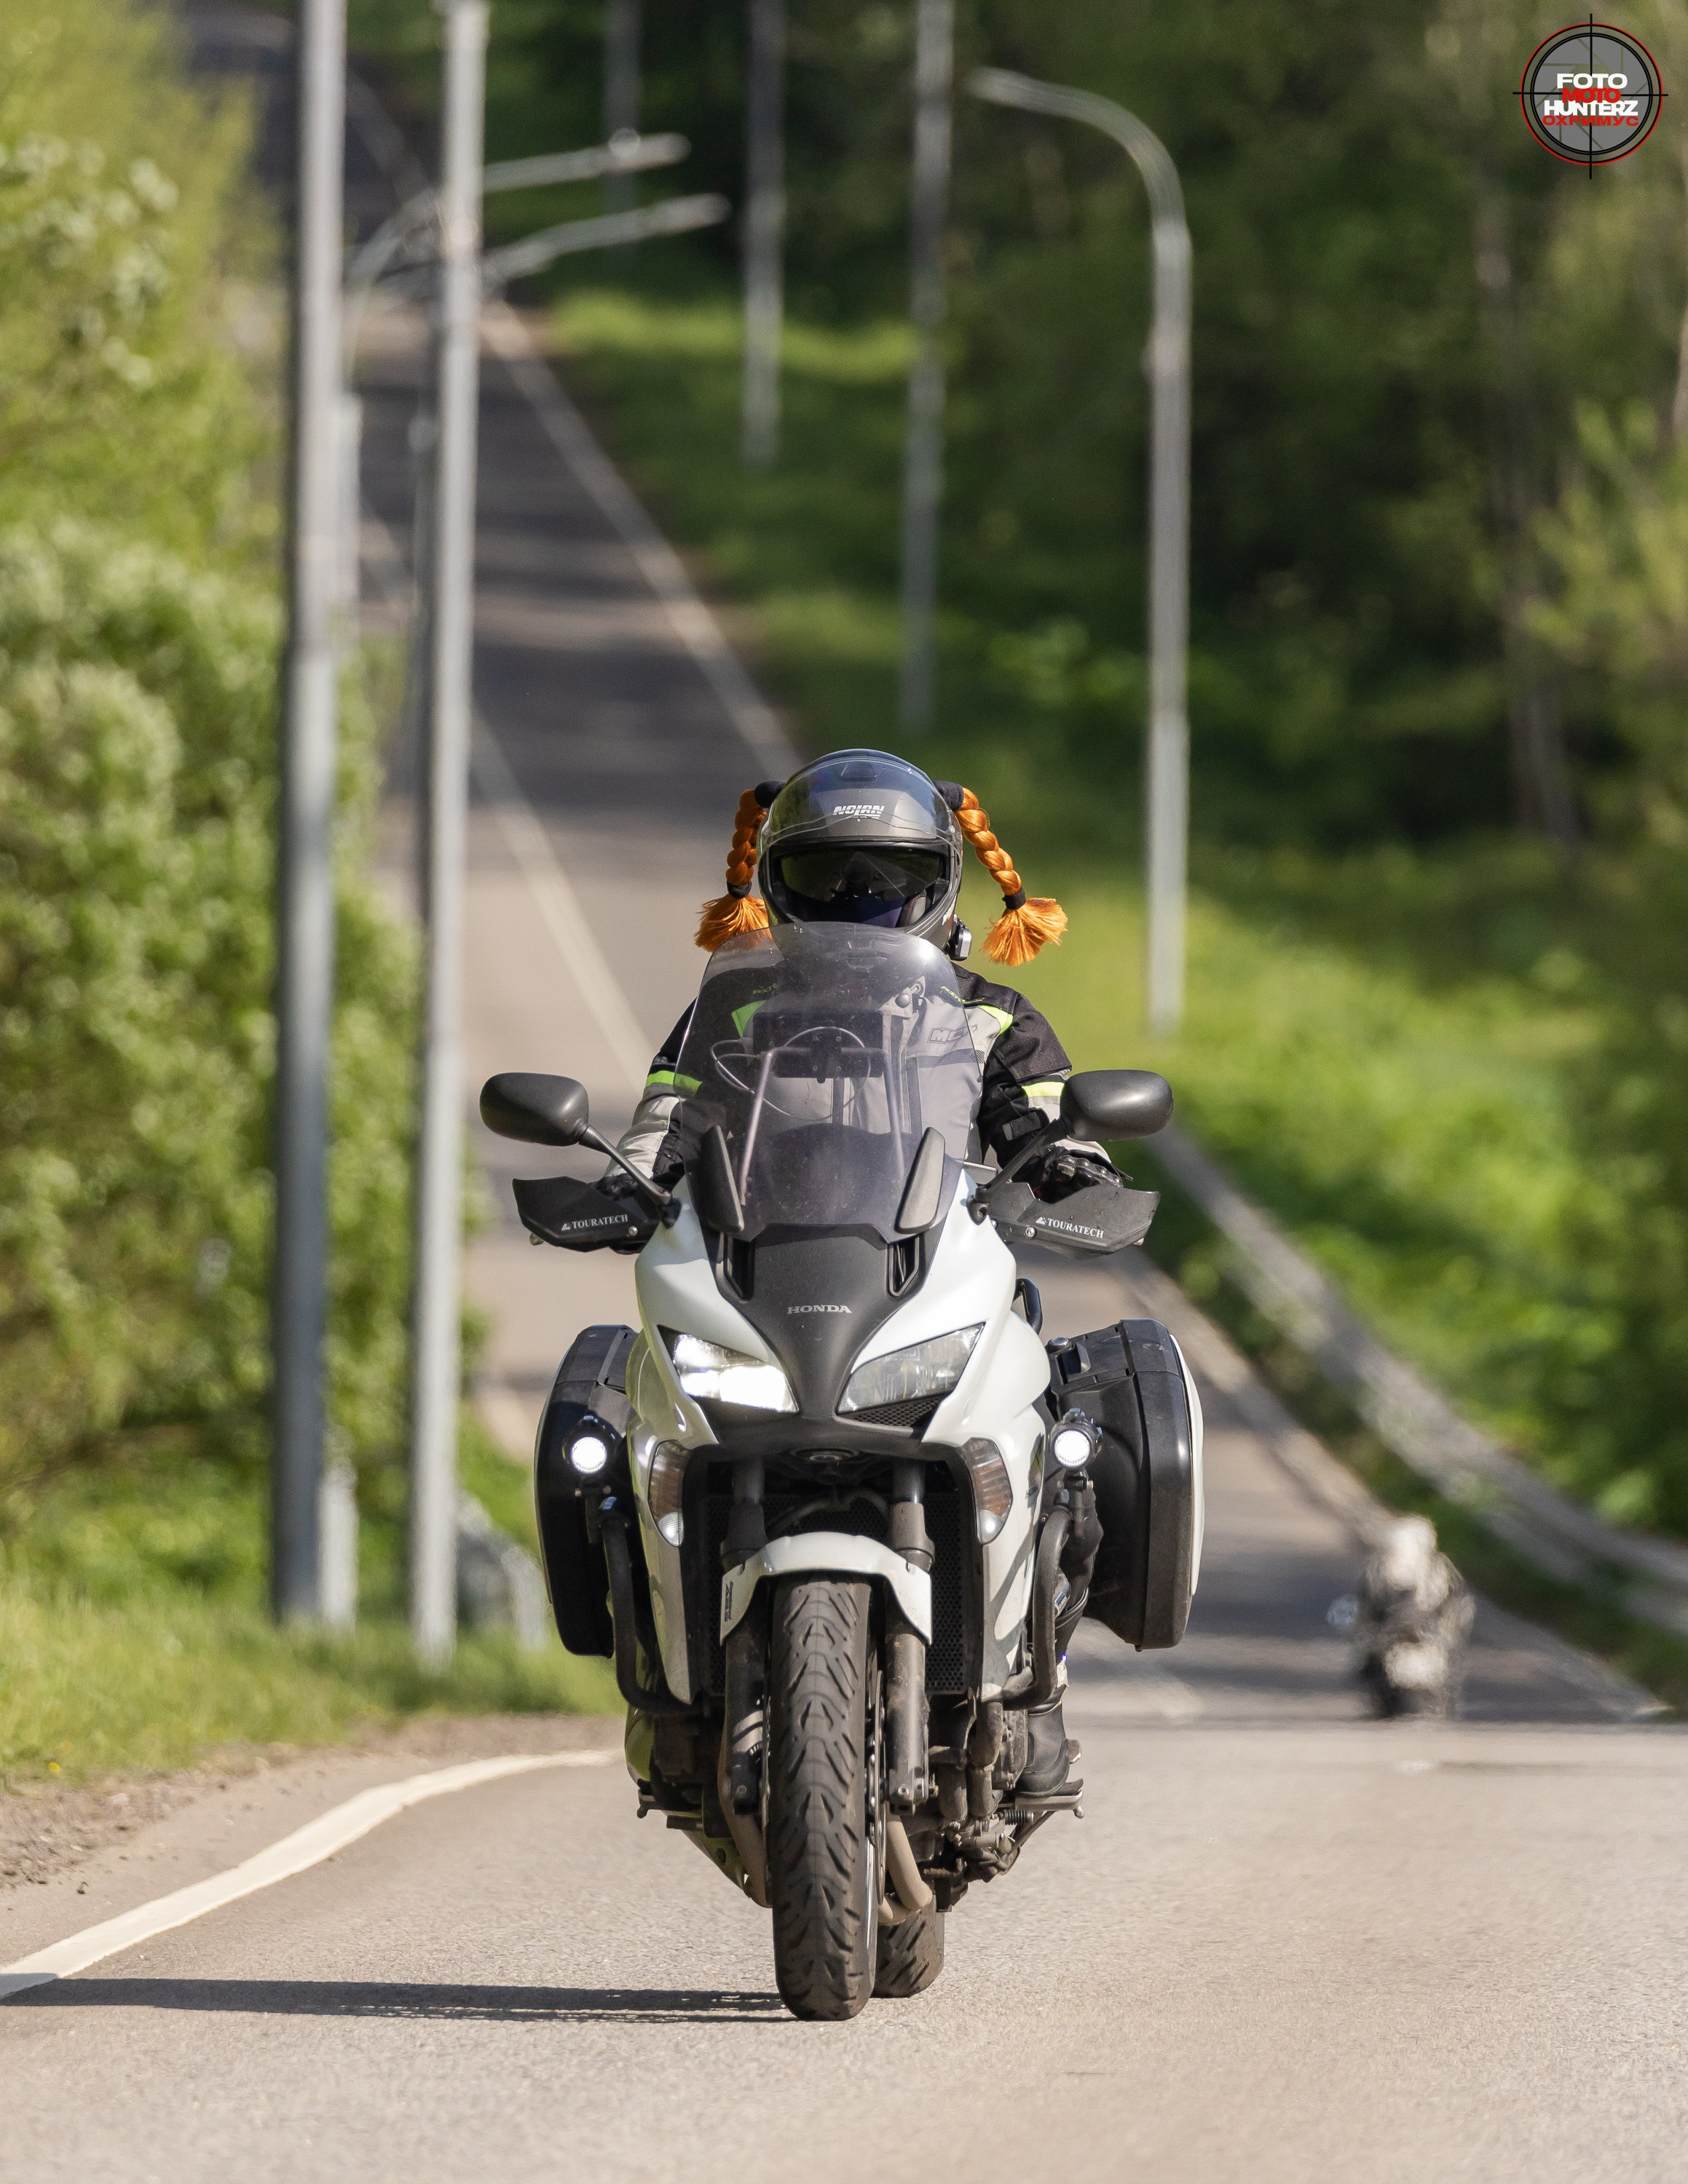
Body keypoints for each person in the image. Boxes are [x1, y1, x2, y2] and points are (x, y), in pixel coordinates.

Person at [605, 749, 1126, 1792]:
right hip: (767, 1278)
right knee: (609, 1428)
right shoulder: (730, 1015)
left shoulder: (989, 1016)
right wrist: (624, 1177)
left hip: (931, 1274)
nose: (855, 903)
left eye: (880, 883)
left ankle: (1039, 1673)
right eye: (828, 881)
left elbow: (1052, 1113)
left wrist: (1071, 1156)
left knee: (1069, 1434)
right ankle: (661, 1673)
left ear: (935, 887)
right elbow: (665, 1119)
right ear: (775, 886)